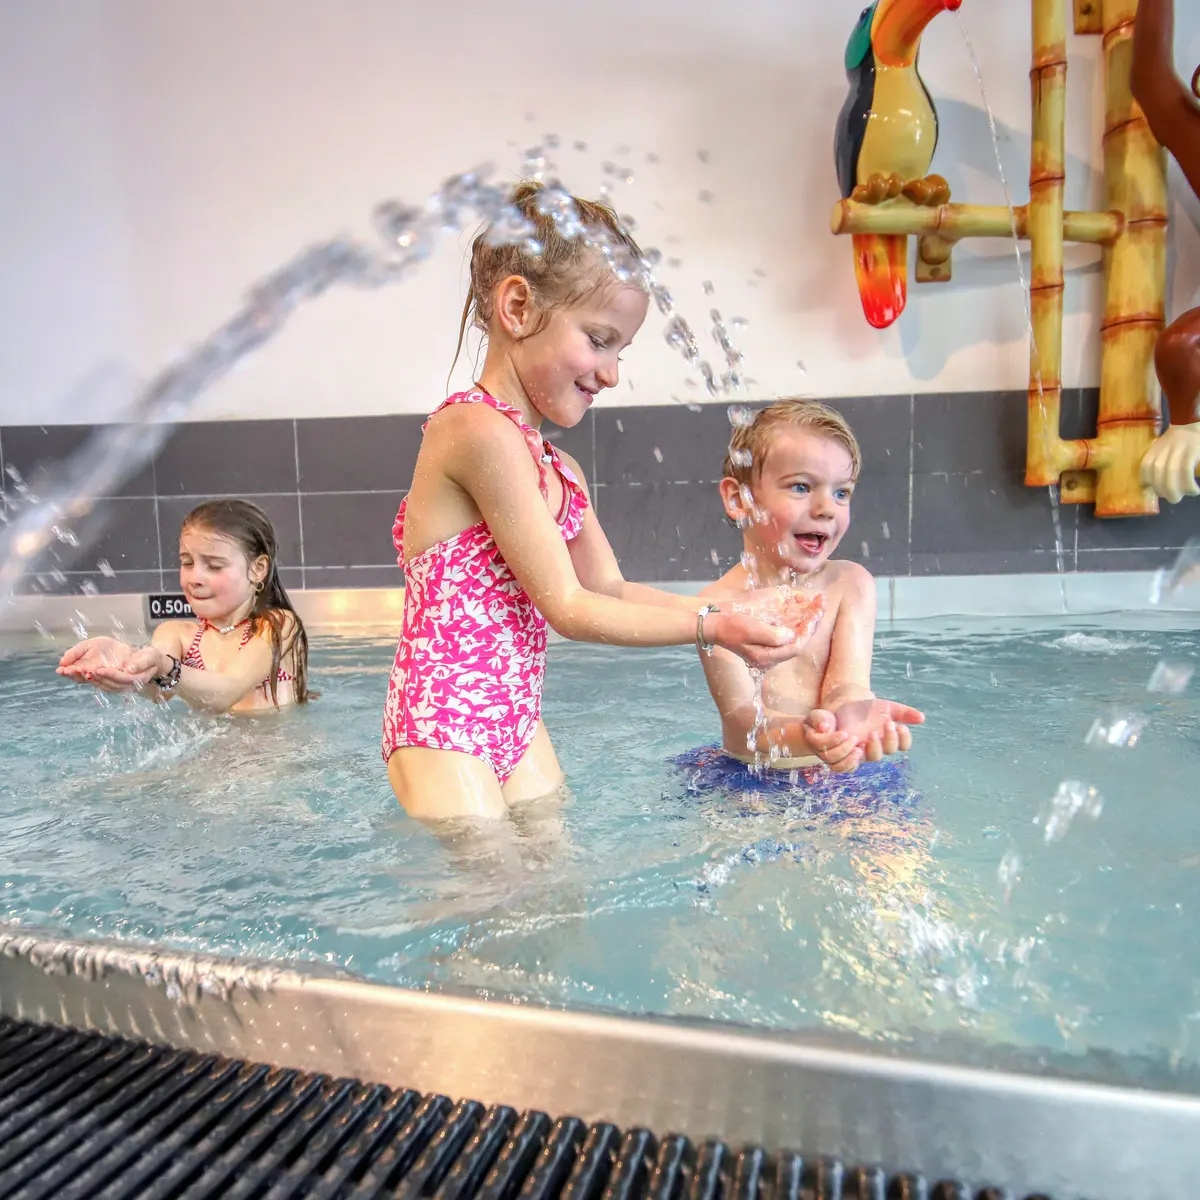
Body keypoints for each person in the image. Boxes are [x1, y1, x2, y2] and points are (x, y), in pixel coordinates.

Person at [383, 180, 816, 824]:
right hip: (442, 721)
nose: (611, 373)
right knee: (492, 881)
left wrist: (729, 611)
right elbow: (566, 607)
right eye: (598, 339)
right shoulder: (473, 430)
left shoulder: (563, 472)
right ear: (518, 307)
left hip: (516, 721)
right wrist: (712, 627)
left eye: (621, 350)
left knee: (555, 879)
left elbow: (609, 589)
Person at [677, 398, 923, 790]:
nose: (827, 508)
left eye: (842, 493)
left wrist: (850, 720)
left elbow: (846, 685)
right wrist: (807, 736)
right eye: (801, 487)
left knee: (899, 832)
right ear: (740, 500)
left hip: (840, 768)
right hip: (752, 776)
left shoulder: (850, 585)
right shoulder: (716, 608)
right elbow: (743, 722)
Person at [57, 498, 310, 714]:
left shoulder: (279, 626)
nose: (195, 578)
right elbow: (159, 692)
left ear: (258, 569)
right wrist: (125, 663)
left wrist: (165, 666)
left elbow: (226, 691)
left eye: (214, 566)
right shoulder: (177, 634)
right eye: (187, 562)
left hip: (274, 754)